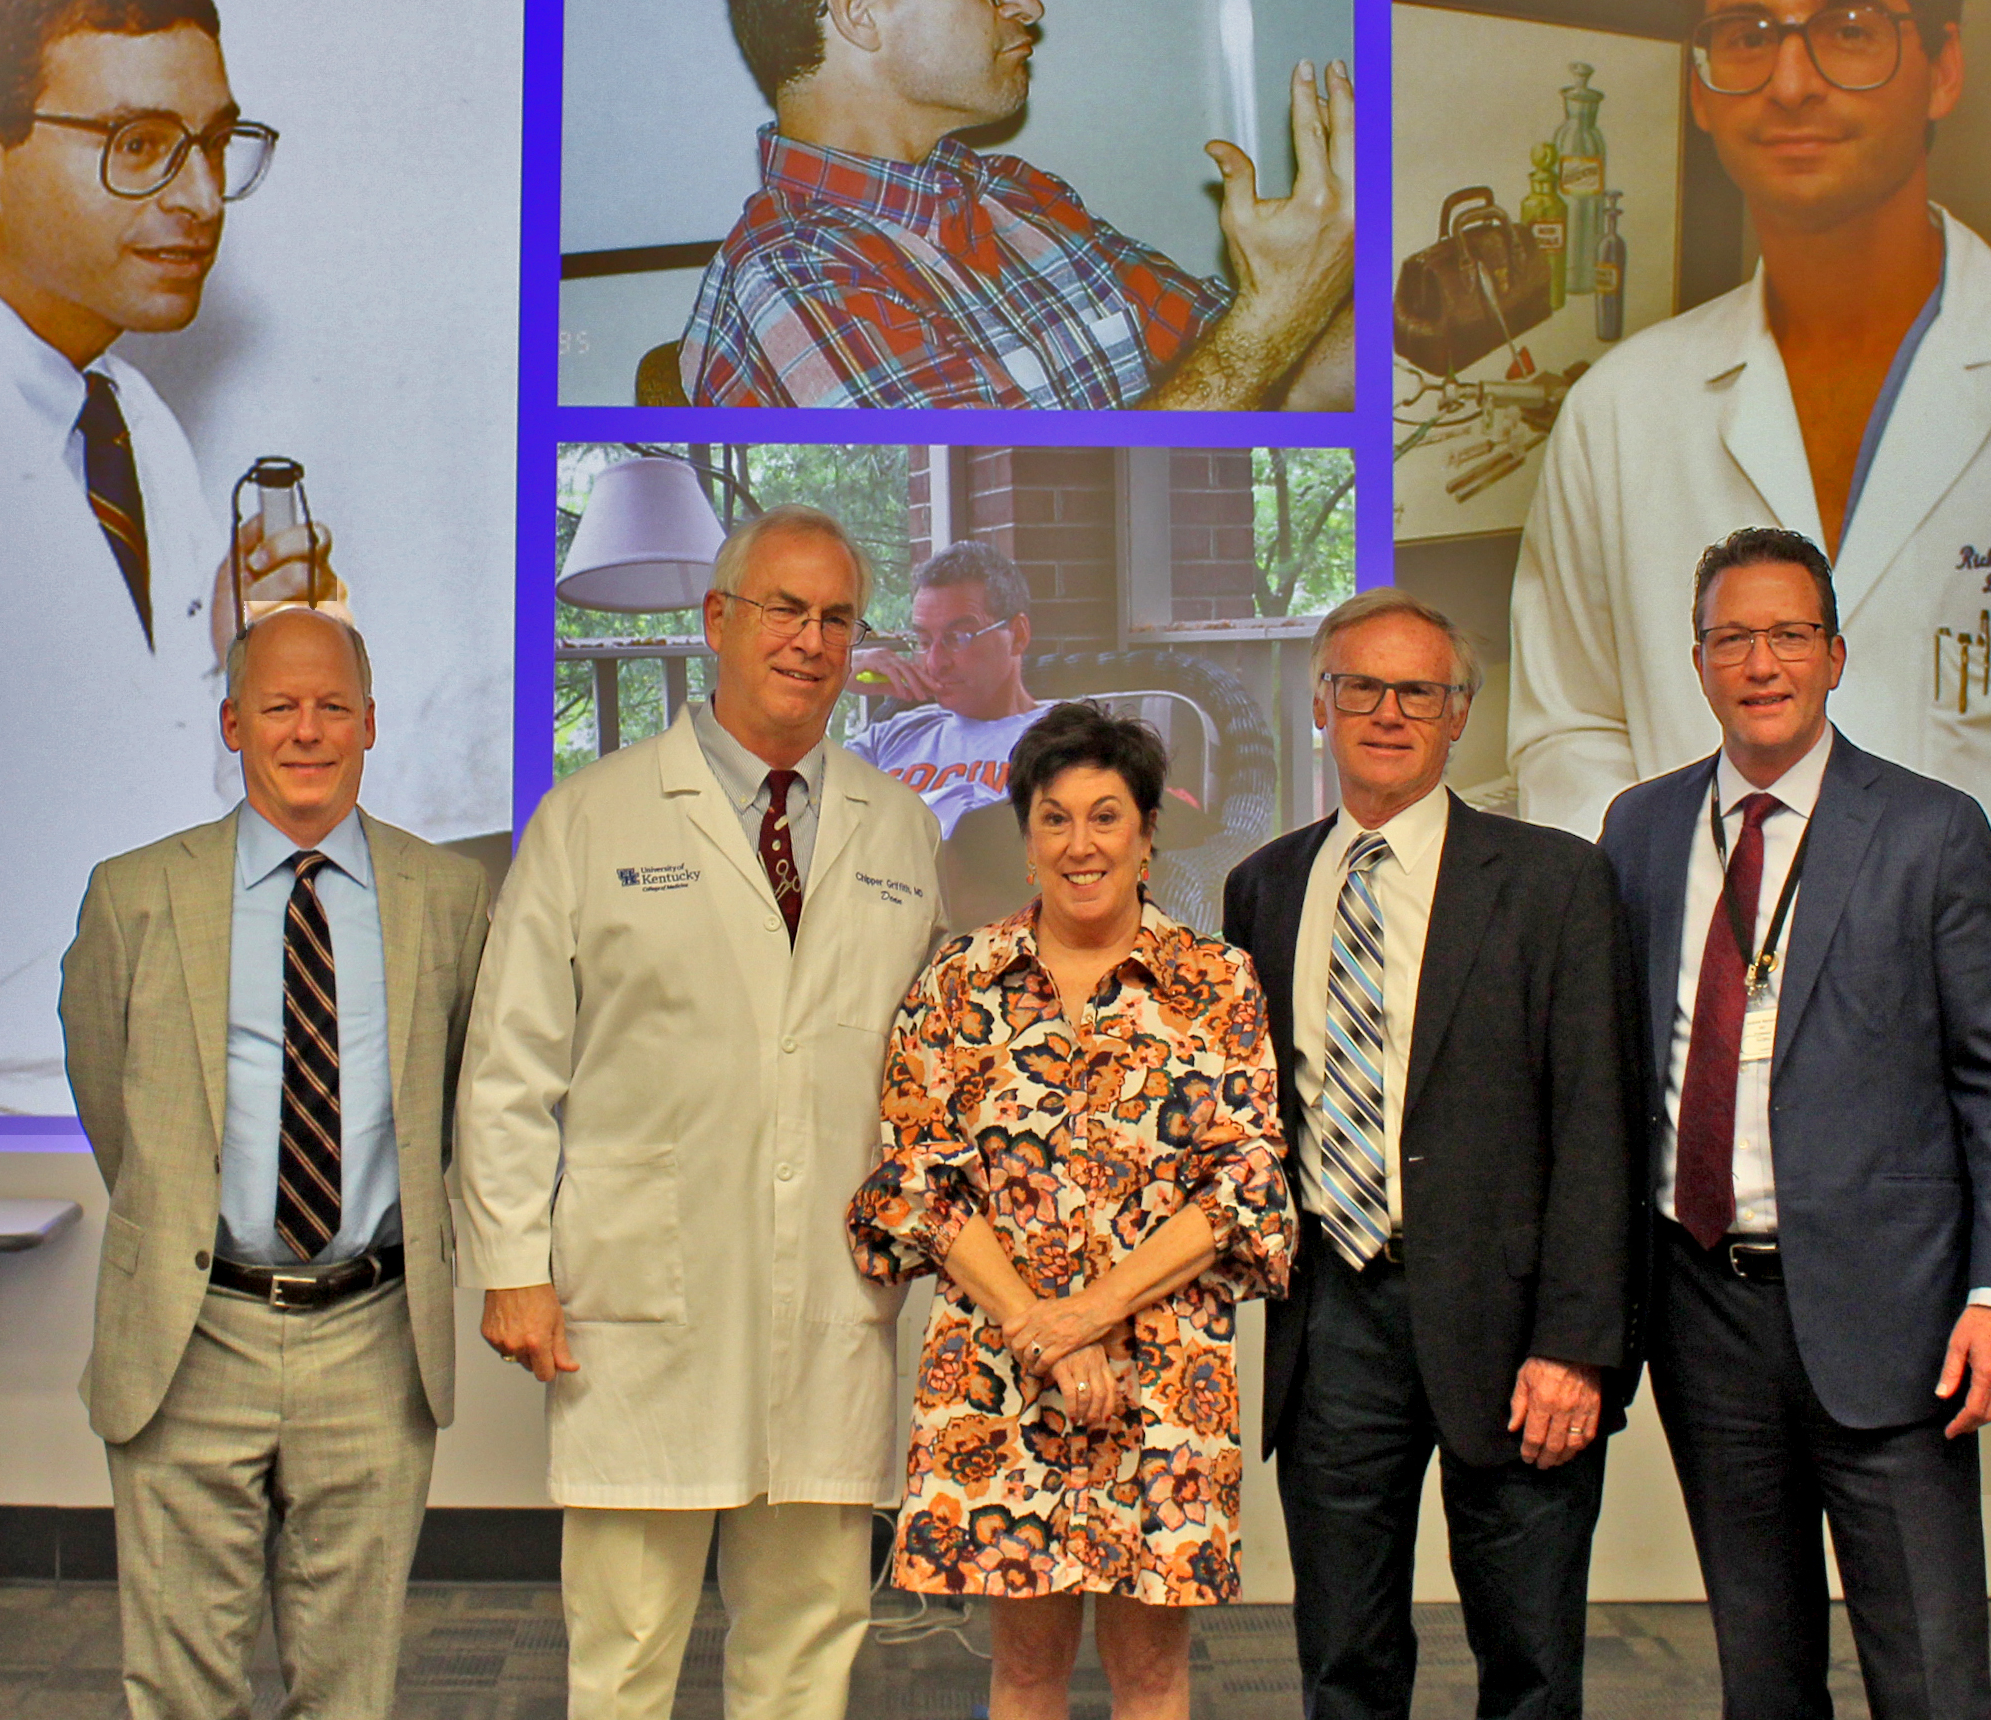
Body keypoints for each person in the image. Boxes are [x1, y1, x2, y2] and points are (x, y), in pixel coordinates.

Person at [1508, 0, 1991, 1074]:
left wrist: (1892, 948)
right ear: (1704, 87)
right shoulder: (1620, 407)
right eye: (1746, 33)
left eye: (1849, 26)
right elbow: (1566, 736)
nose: (1792, 77)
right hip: (1702, 1047)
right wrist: (1685, 928)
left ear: (1940, 66)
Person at [456, 505, 944, 1720]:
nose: (810, 639)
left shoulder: (901, 827)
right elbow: (511, 1063)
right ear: (718, 619)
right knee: (624, 1643)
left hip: (828, 1292)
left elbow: (919, 1066)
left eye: (835, 616)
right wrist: (513, 1263)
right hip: (641, 1298)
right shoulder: (590, 816)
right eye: (784, 608)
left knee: (810, 1635)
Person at [1598, 527, 1991, 1720]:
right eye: (1732, 637)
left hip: (1893, 1316)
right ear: (1696, 661)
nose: (1762, 662)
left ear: (1836, 654)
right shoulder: (1639, 829)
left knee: (1932, 1677)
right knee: (1760, 1672)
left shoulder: (1929, 828)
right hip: (1703, 1306)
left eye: (1788, 634)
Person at [0, 0, 328, 1117]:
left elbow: (142, 797)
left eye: (212, 145)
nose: (198, 199)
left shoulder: (128, 413)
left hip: (147, 1114)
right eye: (140, 147)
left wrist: (243, 651)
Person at [58, 607, 492, 1718]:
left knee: (350, 1681)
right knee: (178, 1681)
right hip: (190, 1331)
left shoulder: (448, 898)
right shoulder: (135, 894)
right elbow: (114, 1104)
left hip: (371, 1333)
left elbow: (463, 1102)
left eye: (333, 705)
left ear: (371, 723)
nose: (308, 729)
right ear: (232, 721)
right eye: (281, 705)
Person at [1223, 589, 1638, 1720]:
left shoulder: (1555, 881)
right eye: (1362, 685)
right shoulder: (1262, 886)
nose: (1389, 711)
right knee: (1341, 1660)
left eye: (1421, 690)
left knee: (1530, 1665)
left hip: (1513, 1335)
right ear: (1320, 703)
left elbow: (1601, 1123)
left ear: (1462, 714)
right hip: (1334, 1320)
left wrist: (1577, 1344)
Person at [848, 700, 1291, 1719]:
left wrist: (1085, 1317)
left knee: (1150, 1674)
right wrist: (1037, 1327)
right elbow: (916, 1181)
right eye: (1054, 818)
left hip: (1162, 1375)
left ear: (1146, 835)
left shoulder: (1214, 982)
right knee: (1024, 1672)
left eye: (1105, 816)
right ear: (1026, 836)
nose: (1079, 842)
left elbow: (1242, 1184)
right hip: (1002, 1370)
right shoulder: (959, 983)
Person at [680, 0, 1352, 411]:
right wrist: (1273, 314)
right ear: (857, 8)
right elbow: (1086, 479)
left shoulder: (1016, 197)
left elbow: (1273, 372)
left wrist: (1399, 306)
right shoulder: (796, 274)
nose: (1027, 2)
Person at [848, 538, 1051, 834]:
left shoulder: (1067, 736)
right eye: (924, 641)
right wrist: (837, 673)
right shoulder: (891, 738)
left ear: (1017, 636)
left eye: (957, 638)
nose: (934, 662)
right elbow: (790, 794)